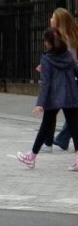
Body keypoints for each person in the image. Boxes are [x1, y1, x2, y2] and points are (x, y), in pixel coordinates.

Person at [17, 28, 78, 171]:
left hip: (54, 97)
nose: (44, 43)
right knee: (75, 128)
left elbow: (46, 84)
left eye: (45, 41)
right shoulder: (67, 55)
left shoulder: (47, 59)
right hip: (70, 94)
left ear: (49, 43)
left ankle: (31, 157)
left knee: (45, 127)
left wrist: (40, 104)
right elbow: (75, 72)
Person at [43, 8, 78, 153]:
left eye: (53, 17)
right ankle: (57, 141)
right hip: (72, 78)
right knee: (70, 114)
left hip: (65, 80)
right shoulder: (71, 36)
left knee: (52, 110)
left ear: (59, 21)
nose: (50, 19)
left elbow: (63, 60)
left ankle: (48, 142)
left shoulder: (62, 39)